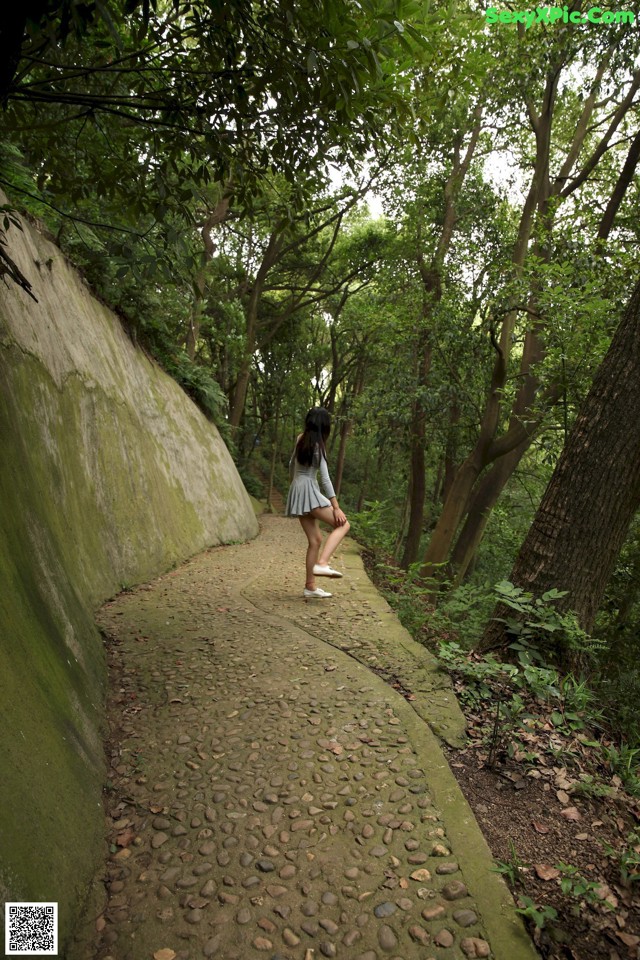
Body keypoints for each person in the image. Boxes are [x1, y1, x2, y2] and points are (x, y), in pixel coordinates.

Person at [285, 407, 350, 598]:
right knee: (344, 524)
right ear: (324, 426)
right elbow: (325, 479)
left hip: (297, 488)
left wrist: (295, 488)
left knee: (315, 540)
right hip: (308, 488)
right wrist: (336, 507)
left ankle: (310, 587)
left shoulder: (300, 438)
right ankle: (322, 563)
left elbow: (291, 465)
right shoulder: (318, 445)